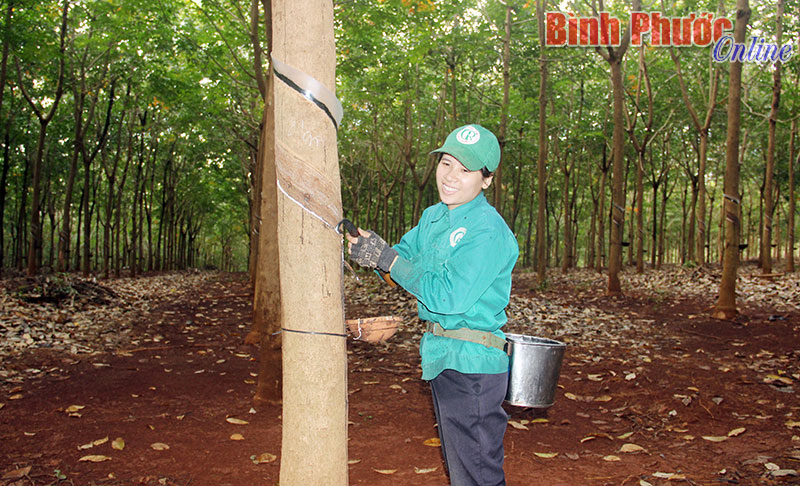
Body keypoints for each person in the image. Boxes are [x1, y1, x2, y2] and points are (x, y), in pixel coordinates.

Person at [346, 124, 519, 486]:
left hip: (472, 366)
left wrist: (390, 261)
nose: (450, 177)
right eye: (446, 163)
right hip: (442, 356)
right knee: (464, 471)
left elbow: (449, 296)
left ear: (486, 180)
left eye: (465, 169)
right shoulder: (434, 217)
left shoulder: (488, 230)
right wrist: (375, 252)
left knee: (477, 474)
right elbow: (400, 261)